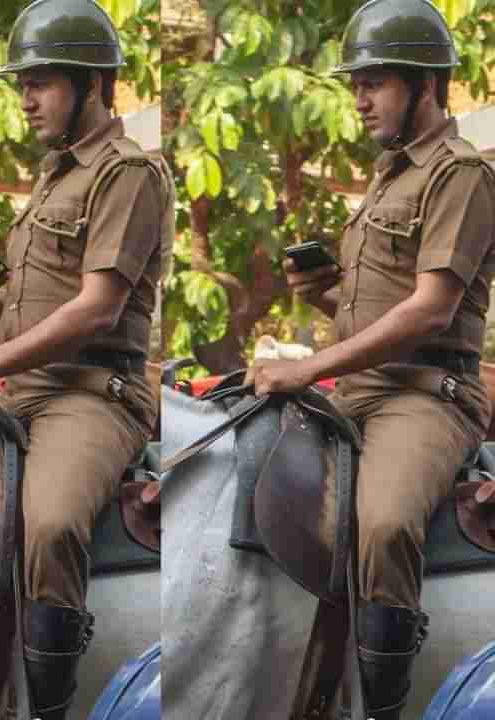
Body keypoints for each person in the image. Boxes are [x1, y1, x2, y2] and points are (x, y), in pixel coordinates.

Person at [0, 1, 166, 716]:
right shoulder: (55, 175)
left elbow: (98, 311)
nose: (26, 98)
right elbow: (46, 313)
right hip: (20, 391)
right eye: (23, 83)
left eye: (43, 82)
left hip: (92, 397)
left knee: (49, 522)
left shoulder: (128, 172)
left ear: (92, 84)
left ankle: (47, 706)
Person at [245, 1, 495, 716]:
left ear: (425, 84)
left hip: (426, 398)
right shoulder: (388, 176)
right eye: (356, 83)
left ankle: (381, 706)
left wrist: (310, 366)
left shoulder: (461, 174)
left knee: (383, 522)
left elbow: (432, 311)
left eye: (375, 82)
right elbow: (383, 315)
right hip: (356, 390)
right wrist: (327, 298)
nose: (358, 99)